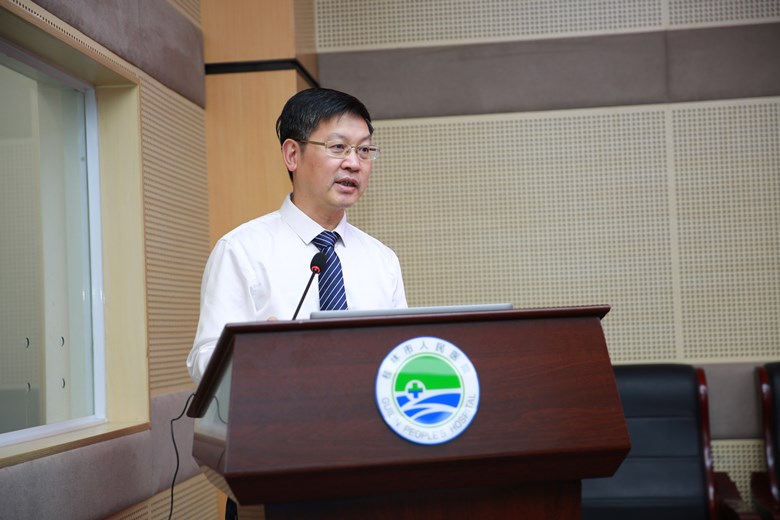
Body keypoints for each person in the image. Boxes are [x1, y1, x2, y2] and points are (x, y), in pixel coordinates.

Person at [187, 87, 408, 384]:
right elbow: (204, 363)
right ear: (293, 154)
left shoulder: (382, 260)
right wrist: (258, 352)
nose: (354, 163)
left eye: (364, 150)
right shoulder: (241, 250)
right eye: (338, 147)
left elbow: (401, 355)